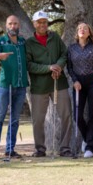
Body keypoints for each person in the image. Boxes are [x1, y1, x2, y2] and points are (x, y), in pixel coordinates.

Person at [26, 10, 73, 157]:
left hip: (59, 84)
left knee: (66, 116)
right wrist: (48, 68)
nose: (42, 25)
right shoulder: (29, 43)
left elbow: (64, 54)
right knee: (38, 120)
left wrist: (58, 66)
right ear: (34, 24)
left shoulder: (55, 38)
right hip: (39, 87)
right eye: (39, 22)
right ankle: (40, 149)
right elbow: (29, 65)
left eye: (44, 22)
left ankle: (65, 148)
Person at [0, 15, 29, 160]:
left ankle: (10, 149)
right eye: (10, 24)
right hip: (5, 85)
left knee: (15, 119)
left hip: (21, 85)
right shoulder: (0, 41)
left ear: (19, 25)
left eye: (15, 24)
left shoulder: (23, 42)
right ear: (6, 26)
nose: (13, 26)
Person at [67, 22, 93, 158]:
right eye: (80, 28)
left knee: (92, 114)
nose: (82, 30)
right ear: (77, 32)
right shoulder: (71, 48)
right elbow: (69, 67)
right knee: (77, 115)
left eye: (85, 29)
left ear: (89, 33)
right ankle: (87, 138)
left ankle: (89, 148)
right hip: (78, 83)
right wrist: (75, 80)